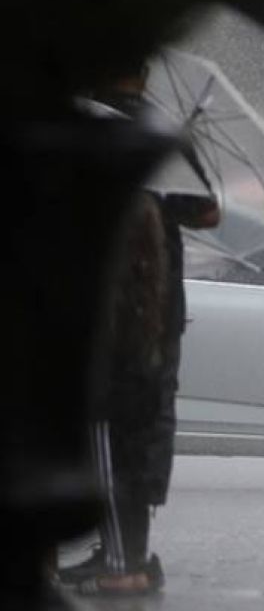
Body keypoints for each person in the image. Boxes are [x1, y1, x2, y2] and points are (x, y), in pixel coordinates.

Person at [61, 69, 220, 596]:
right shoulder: (163, 134)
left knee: (106, 432)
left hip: (111, 312)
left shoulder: (91, 132)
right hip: (158, 312)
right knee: (142, 431)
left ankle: (120, 559)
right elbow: (208, 211)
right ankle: (121, 551)